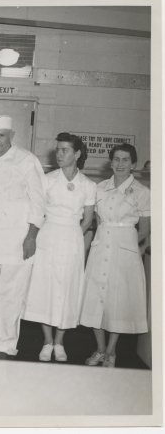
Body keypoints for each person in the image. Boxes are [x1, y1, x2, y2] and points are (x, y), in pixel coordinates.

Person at [0, 115, 46, 356]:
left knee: (10, 292)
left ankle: (7, 341)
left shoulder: (27, 160)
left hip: (18, 234)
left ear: (12, 136)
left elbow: (39, 202)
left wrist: (32, 236)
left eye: (1, 136)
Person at [23, 133, 96, 361]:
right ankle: (47, 341)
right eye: (58, 149)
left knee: (67, 288)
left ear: (77, 154)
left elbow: (87, 219)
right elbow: (37, 210)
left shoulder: (88, 185)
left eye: (65, 150)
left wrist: (73, 235)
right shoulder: (47, 179)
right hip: (48, 235)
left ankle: (60, 342)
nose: (60, 154)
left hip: (73, 238)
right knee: (47, 287)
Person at [80, 144, 150, 368]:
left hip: (125, 251)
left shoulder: (142, 192)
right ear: (111, 162)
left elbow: (145, 229)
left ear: (133, 164)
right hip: (101, 247)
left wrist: (130, 248)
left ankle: (111, 351)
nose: (120, 164)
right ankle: (99, 349)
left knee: (118, 301)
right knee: (95, 297)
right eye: (117, 159)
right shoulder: (99, 188)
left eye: (126, 160)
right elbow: (98, 221)